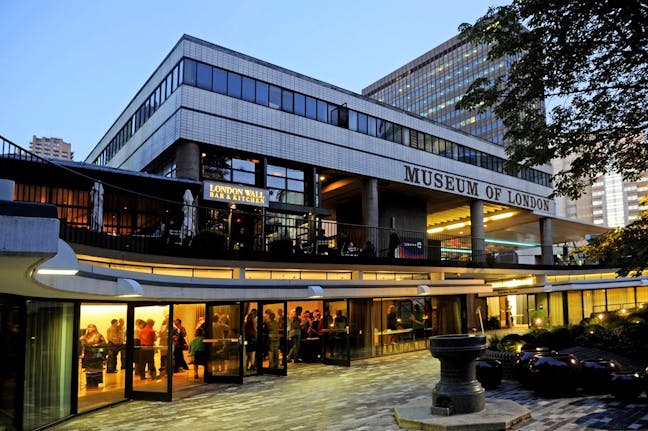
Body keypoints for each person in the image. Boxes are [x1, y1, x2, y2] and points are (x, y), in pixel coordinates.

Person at [80, 324, 107, 388]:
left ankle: (96, 382)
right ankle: (89, 382)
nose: (90, 329)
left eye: (91, 327)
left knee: (96, 368)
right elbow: (83, 345)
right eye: (88, 327)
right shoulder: (85, 336)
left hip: (97, 354)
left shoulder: (99, 335)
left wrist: (98, 345)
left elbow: (104, 343)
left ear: (94, 328)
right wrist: (82, 341)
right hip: (88, 355)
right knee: (89, 369)